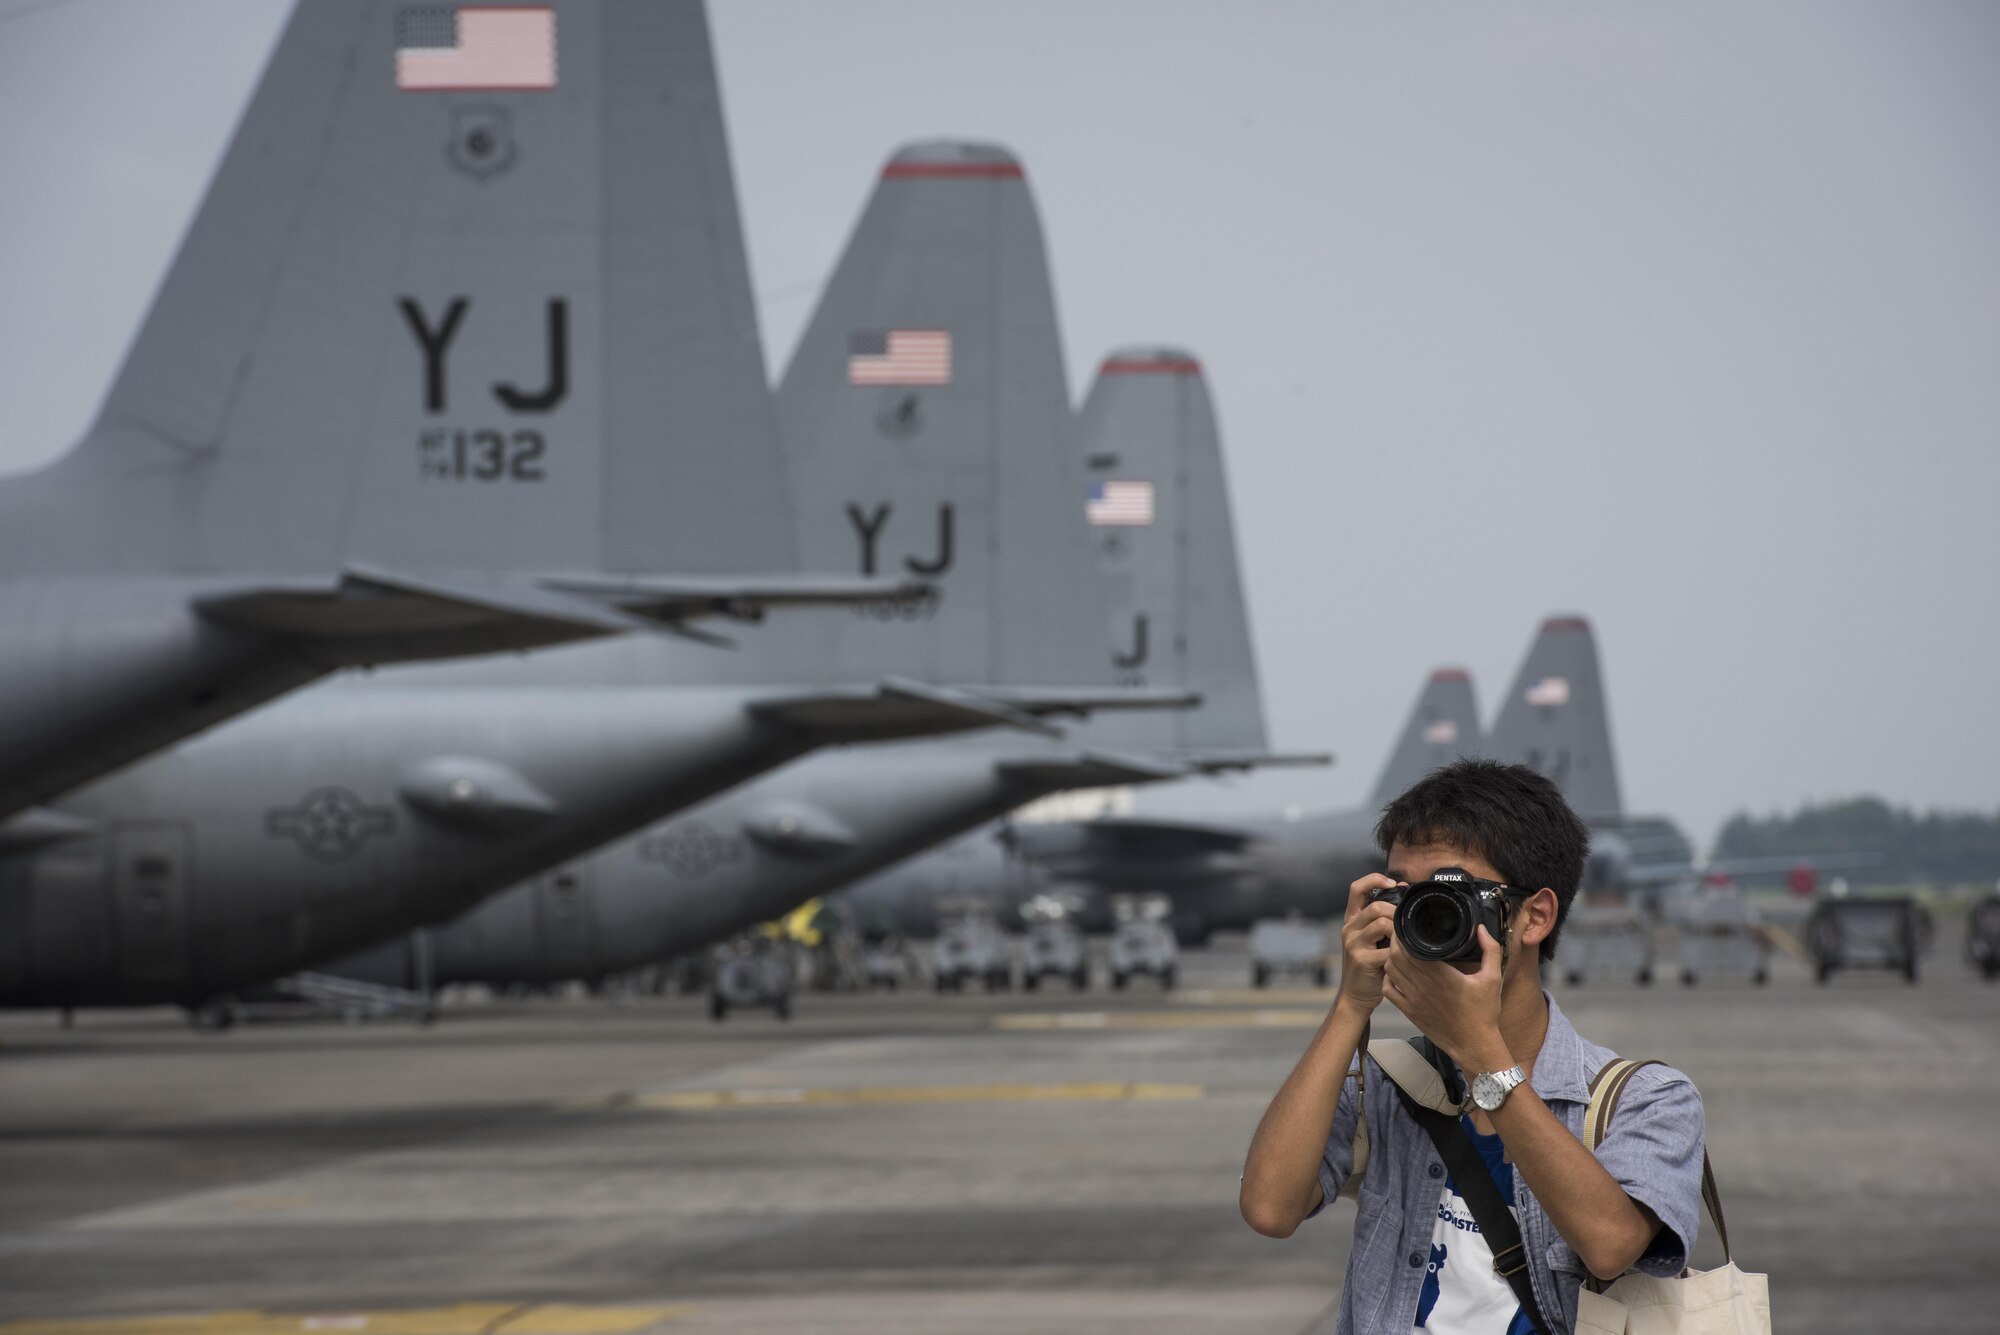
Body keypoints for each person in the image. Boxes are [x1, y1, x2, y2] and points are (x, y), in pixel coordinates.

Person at [1239, 760, 1705, 1333]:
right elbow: (1269, 1209)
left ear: (1534, 917)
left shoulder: (1645, 1100)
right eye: (1403, 894)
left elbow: (1611, 1245)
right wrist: (1349, 1007)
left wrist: (1480, 1051)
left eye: (1446, 894)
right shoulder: (1390, 1083)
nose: (1421, 917)